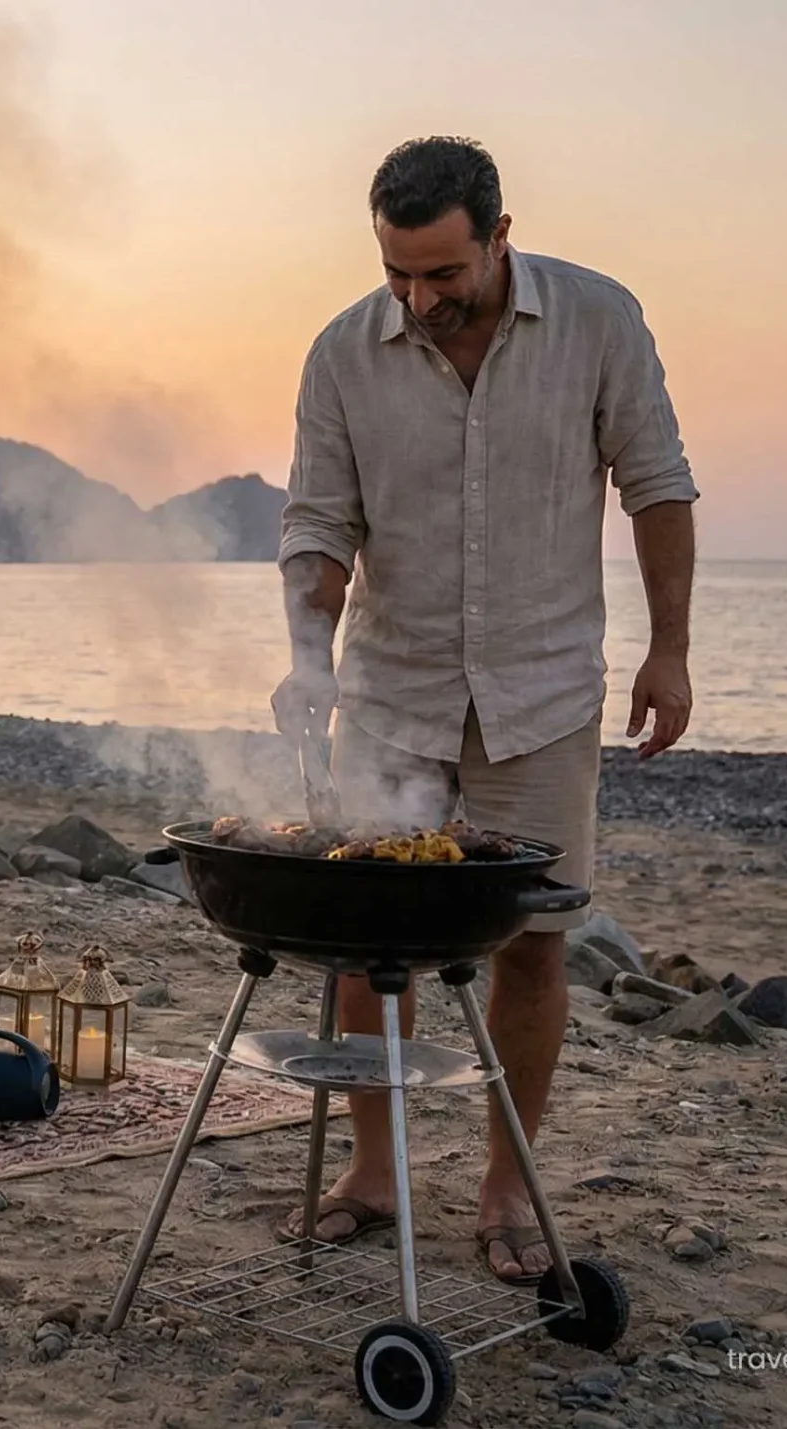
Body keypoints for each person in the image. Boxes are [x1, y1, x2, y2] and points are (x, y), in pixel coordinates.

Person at [271, 137, 698, 1284]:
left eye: (442, 274)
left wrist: (670, 649)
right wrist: (307, 653)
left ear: (500, 235)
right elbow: (319, 526)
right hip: (391, 690)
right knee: (370, 942)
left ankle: (508, 1182)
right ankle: (374, 1167)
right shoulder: (340, 354)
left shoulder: (600, 321)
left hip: (542, 690)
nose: (418, 298)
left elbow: (656, 482)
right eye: (397, 272)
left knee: (532, 946)